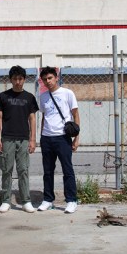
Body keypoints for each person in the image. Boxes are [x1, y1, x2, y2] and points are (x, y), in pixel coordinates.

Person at [0, 65, 39, 213]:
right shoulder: (3, 96)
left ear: (24, 79)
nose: (18, 81)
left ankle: (26, 201)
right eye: (15, 79)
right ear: (11, 80)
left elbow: (32, 119)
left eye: (20, 78)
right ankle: (6, 200)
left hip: (24, 139)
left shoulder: (29, 98)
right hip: (7, 139)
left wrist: (33, 140)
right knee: (6, 169)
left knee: (23, 170)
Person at [37, 66, 81, 213]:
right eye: (44, 80)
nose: (47, 81)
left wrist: (76, 138)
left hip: (63, 137)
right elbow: (44, 117)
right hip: (47, 138)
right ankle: (48, 199)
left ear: (56, 78)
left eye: (50, 78)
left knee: (67, 170)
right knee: (47, 171)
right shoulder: (43, 97)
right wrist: (41, 136)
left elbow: (75, 116)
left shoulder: (67, 93)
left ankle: (71, 200)